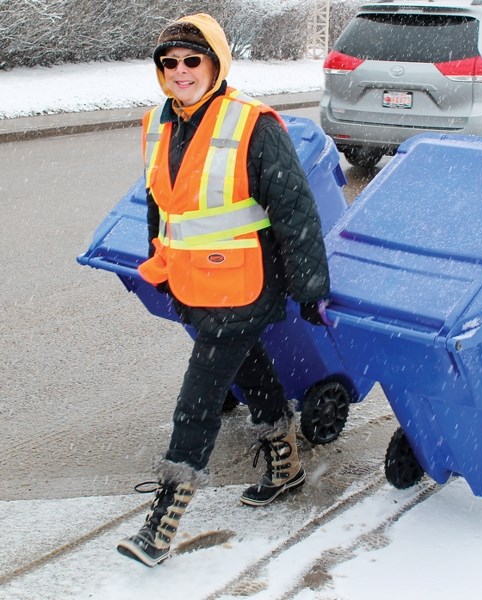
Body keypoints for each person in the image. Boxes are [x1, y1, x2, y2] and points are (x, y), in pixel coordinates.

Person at [116, 13, 331, 567]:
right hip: (192, 281)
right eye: (170, 63)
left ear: (216, 63)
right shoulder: (158, 124)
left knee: (199, 396)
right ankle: (284, 463)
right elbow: (162, 205)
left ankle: (164, 517)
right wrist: (157, 264)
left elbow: (294, 207)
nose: (181, 71)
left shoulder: (251, 124)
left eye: (193, 60)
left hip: (244, 283)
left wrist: (309, 286)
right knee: (247, 368)